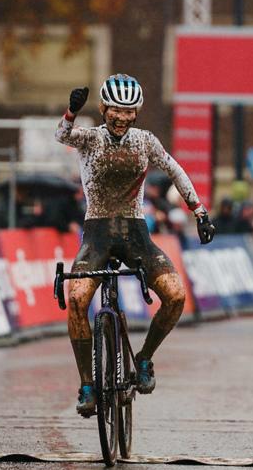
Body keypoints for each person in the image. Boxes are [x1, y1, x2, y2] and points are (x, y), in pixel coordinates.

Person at [56, 75, 216, 417]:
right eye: (116, 110)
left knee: (175, 295)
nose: (122, 117)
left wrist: (199, 211)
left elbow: (175, 170)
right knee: (77, 300)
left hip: (135, 234)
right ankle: (87, 384)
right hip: (97, 234)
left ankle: (143, 359)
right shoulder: (91, 138)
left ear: (137, 112)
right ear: (103, 109)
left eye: (129, 111)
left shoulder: (145, 141)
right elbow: (62, 136)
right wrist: (71, 111)